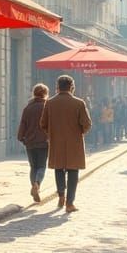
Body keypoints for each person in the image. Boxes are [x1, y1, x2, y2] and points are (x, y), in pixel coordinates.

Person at [40, 75, 92, 213]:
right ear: (71, 87)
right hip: (74, 142)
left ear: (57, 87)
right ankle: (70, 203)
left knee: (59, 169)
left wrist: (51, 133)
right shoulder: (79, 103)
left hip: (56, 141)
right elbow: (87, 124)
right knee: (73, 172)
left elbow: (43, 123)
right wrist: (79, 132)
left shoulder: (50, 103)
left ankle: (61, 195)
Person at [17, 84, 49, 202]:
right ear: (45, 94)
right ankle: (37, 184)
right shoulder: (47, 107)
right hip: (43, 142)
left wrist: (21, 138)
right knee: (41, 166)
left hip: (30, 142)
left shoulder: (28, 108)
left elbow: (23, 124)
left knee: (33, 167)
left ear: (34, 93)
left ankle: (34, 186)